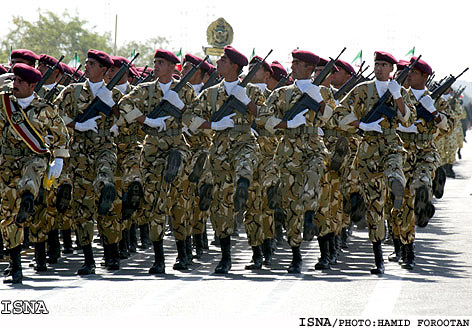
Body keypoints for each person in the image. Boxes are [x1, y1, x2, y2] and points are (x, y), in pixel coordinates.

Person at [183, 45, 265, 274]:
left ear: (235, 66)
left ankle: (257, 253)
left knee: (251, 201)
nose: (218, 64)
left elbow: (267, 116)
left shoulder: (252, 91)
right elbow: (189, 116)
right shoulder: (210, 93)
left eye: (223, 61)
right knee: (221, 205)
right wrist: (212, 125)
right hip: (219, 150)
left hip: (245, 142)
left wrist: (246, 101)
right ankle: (226, 257)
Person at [117, 49, 196, 273]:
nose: (156, 66)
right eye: (155, 62)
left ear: (173, 67)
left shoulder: (185, 90)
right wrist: (147, 120)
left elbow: (197, 117)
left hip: (177, 144)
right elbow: (123, 105)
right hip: (152, 149)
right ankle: (159, 258)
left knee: (180, 204)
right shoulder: (145, 91)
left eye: (161, 63)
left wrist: (180, 108)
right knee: (155, 204)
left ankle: (183, 254)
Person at [336, 51, 415, 274]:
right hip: (368, 148)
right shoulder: (362, 89)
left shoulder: (398, 90)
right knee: (374, 205)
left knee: (394, 169)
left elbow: (408, 119)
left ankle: (396, 185)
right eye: (377, 64)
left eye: (384, 65)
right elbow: (340, 112)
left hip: (391, 142)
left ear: (392, 70)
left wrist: (398, 96)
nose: (379, 68)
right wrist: (361, 124)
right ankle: (378, 259)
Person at [258, 49, 331, 273]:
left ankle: (314, 227)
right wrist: (286, 124)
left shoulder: (323, 92)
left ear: (310, 69)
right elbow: (262, 118)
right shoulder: (281, 94)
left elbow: (335, 119)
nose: (292, 66)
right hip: (288, 152)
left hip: (314, 148)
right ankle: (296, 256)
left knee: (313, 185)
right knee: (291, 206)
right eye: (293, 62)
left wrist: (320, 104)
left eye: (297, 63)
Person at [1, 63, 69, 283]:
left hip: (34, 157)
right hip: (7, 161)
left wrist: (58, 159)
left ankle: (28, 196)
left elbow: (61, 135)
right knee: (8, 215)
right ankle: (16, 265)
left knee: (32, 175)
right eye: (14, 81)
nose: (15, 85)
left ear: (32, 86)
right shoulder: (4, 104)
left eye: (20, 82)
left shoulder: (45, 109)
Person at [54, 49, 119, 275]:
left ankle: (112, 254)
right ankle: (89, 259)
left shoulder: (113, 94)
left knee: (105, 191)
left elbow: (129, 120)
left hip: (104, 148)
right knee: (82, 207)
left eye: (92, 64)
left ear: (104, 69)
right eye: (86, 63)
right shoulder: (71, 92)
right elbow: (54, 116)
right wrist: (76, 125)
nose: (86, 66)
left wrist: (115, 113)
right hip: (80, 154)